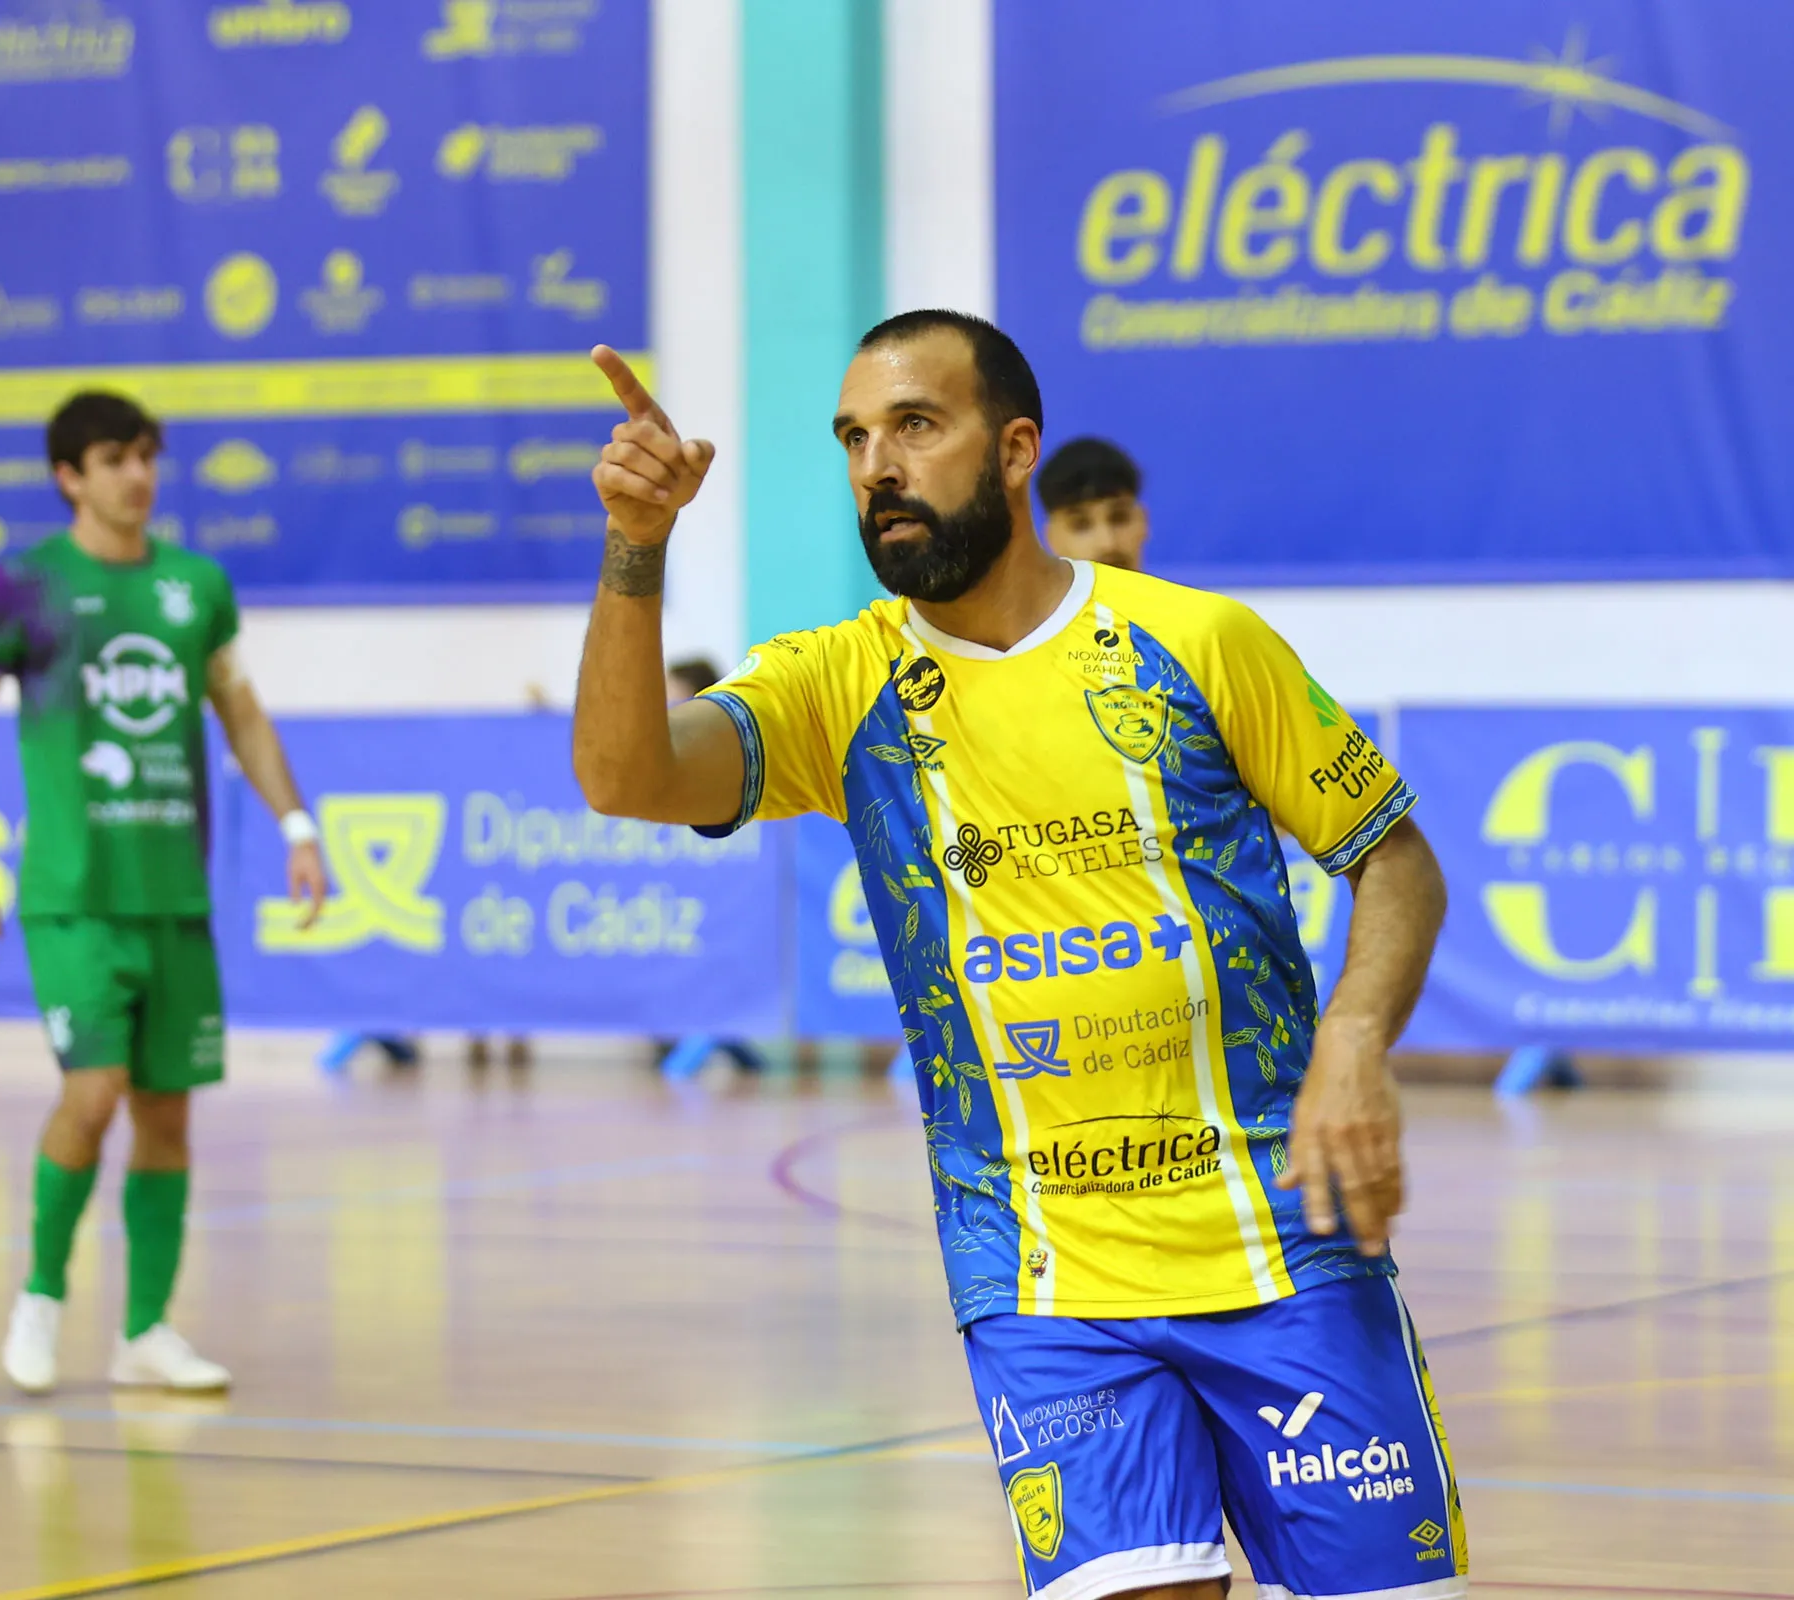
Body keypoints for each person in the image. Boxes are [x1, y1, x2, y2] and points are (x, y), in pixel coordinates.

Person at [572, 313, 1460, 1600]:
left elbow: (1395, 856)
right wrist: (635, 547)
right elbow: (624, 774)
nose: (877, 465)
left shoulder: (1200, 644)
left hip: (1284, 1242)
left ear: (1014, 450)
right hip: (1045, 1277)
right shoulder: (837, 686)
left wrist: (1355, 1042)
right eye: (854, 439)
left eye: (915, 427)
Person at [0, 391, 327, 1396]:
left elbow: (242, 714)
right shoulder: (26, 585)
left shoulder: (197, 588)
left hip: (175, 899)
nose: (137, 474)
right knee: (92, 1091)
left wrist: (297, 825)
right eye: (114, 458)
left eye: (147, 455)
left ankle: (145, 1329)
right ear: (71, 475)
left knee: (167, 1118)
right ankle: (40, 1294)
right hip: (74, 897)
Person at [1036, 435, 1150, 572]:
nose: (1108, 543)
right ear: (1051, 538)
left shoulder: (1180, 594)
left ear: (1143, 521)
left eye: (1119, 518)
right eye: (1081, 525)